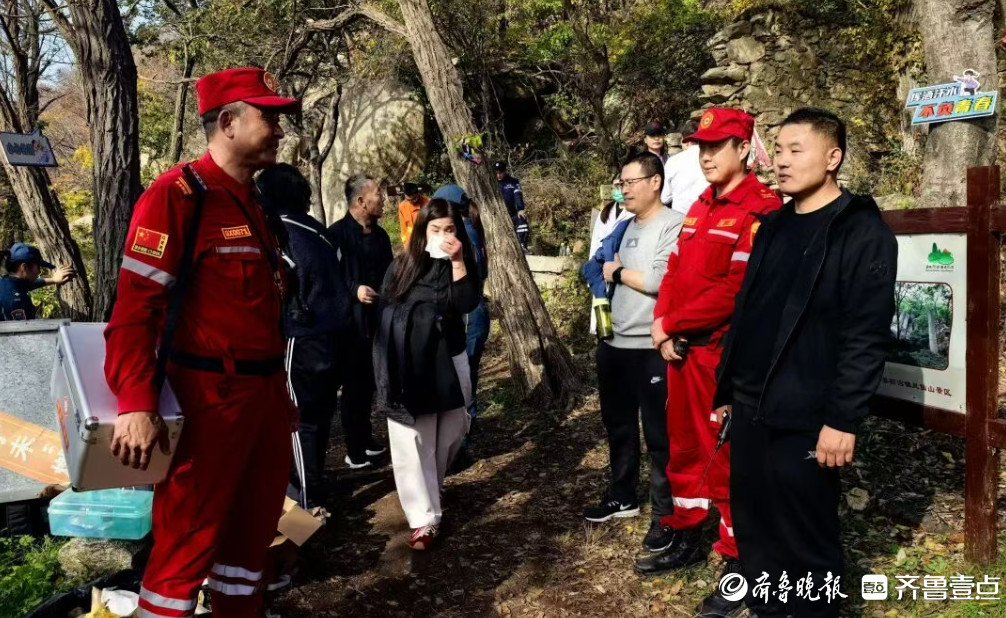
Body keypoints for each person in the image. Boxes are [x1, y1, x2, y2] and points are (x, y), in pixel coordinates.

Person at [104, 67, 300, 618]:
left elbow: (262, 313)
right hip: (206, 400)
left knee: (249, 546)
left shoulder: (251, 202)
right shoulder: (177, 196)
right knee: (185, 546)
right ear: (229, 122)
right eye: (269, 117)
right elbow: (134, 310)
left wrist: (280, 395)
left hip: (261, 399)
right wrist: (137, 402)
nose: (280, 129)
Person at [713, 108, 897, 617]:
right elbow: (748, 315)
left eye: (797, 150)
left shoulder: (860, 232)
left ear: (833, 157)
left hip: (809, 415)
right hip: (752, 407)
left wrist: (843, 419)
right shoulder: (771, 226)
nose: (782, 162)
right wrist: (728, 392)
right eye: (779, 150)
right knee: (758, 531)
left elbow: (866, 334)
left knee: (806, 540)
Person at [636, 108, 782, 618]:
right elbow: (674, 270)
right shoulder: (699, 204)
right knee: (684, 447)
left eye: (717, 145)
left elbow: (737, 290)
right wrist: (662, 324)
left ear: (744, 148)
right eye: (701, 146)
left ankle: (739, 562)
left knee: (726, 460)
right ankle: (685, 531)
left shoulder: (761, 209)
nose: (706, 155)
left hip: (721, 357)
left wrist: (674, 323)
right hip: (682, 351)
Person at [582, 152, 683, 554]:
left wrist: (618, 273)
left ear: (654, 181)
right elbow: (598, 266)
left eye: (630, 181)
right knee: (618, 426)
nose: (623, 189)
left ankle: (665, 513)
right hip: (613, 344)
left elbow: (661, 279)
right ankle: (622, 495)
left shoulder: (673, 225)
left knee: (659, 435)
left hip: (651, 347)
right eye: (620, 183)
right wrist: (608, 271)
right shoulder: (622, 227)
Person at [373, 198, 481, 550]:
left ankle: (434, 484)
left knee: (452, 429)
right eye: (435, 230)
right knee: (411, 438)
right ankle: (423, 518)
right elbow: (386, 308)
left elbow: (466, 303)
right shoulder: (403, 265)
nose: (442, 235)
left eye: (449, 229)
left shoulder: (460, 262)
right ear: (422, 231)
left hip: (450, 356)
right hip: (410, 361)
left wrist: (457, 259)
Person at [258, 163, 352, 506]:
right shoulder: (318, 230)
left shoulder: (282, 233)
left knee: (298, 422)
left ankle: (306, 502)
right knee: (320, 417)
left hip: (302, 336)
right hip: (334, 335)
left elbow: (283, 286)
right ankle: (316, 488)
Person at [326, 174, 392, 469]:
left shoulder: (381, 236)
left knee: (368, 385)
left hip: (378, 323)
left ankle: (366, 440)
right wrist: (355, 290)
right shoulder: (336, 235)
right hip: (349, 326)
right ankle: (354, 451)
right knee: (353, 387)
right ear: (360, 201)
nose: (383, 199)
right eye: (378, 194)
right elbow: (327, 278)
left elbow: (389, 274)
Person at [432, 184, 489, 428]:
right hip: (477, 311)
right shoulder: (472, 230)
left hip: (466, 315)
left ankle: (463, 434)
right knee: (467, 376)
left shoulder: (458, 238)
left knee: (461, 378)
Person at [587, 180, 634, 335]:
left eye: (622, 185)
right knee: (602, 311)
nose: (619, 189)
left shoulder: (634, 211)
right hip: (600, 268)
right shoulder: (606, 212)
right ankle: (603, 334)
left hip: (620, 267)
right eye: (616, 186)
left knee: (618, 311)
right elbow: (595, 242)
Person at [0, 243, 76, 320]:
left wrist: (53, 280)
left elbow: (28, 285)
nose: (39, 271)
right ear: (24, 267)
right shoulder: (17, 301)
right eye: (38, 267)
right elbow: (23, 331)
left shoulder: (6, 283)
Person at [660, 120, 710, 215]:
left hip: (681, 219)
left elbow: (665, 198)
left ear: (684, 140)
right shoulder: (713, 159)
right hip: (706, 216)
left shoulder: (673, 162)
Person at [493, 161, 530, 252]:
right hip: (496, 214)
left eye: (500, 172)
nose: (498, 175)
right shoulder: (491, 183)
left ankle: (522, 246)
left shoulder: (513, 182)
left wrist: (520, 209)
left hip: (511, 213)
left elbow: (518, 195)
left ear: (505, 171)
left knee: (522, 219)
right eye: (496, 173)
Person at [398, 182, 430, 246]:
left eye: (415, 198)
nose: (414, 201)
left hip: (426, 239)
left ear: (418, 193)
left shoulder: (428, 202)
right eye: (409, 200)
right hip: (411, 241)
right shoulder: (402, 206)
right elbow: (403, 227)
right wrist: (405, 243)